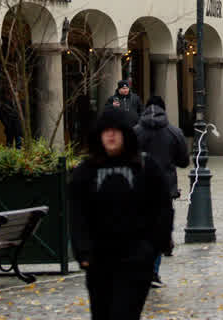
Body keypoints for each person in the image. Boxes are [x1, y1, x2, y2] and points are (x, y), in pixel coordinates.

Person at [69, 107, 172, 320]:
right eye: (106, 131)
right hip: (99, 261)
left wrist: (154, 247)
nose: (111, 135)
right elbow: (78, 213)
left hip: (136, 259)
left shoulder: (145, 167)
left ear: (126, 134)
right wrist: (83, 252)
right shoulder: (86, 171)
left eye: (116, 130)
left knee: (125, 314)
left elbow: (162, 207)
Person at [134, 95, 188, 288]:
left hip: (138, 189)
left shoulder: (135, 132)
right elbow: (184, 161)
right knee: (158, 230)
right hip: (164, 189)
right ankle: (153, 272)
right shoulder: (174, 132)